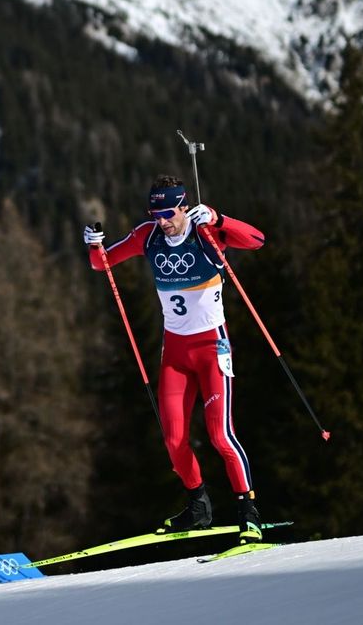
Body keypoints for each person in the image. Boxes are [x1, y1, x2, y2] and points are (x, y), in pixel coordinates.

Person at [83, 174, 267, 541]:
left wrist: (219, 219)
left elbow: (258, 240)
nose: (162, 221)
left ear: (184, 206)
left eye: (168, 213)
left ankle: (249, 511)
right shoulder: (148, 236)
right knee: (174, 439)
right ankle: (199, 506)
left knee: (220, 435)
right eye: (155, 213)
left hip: (212, 348)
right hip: (176, 353)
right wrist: (94, 245)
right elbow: (103, 264)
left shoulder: (205, 233)